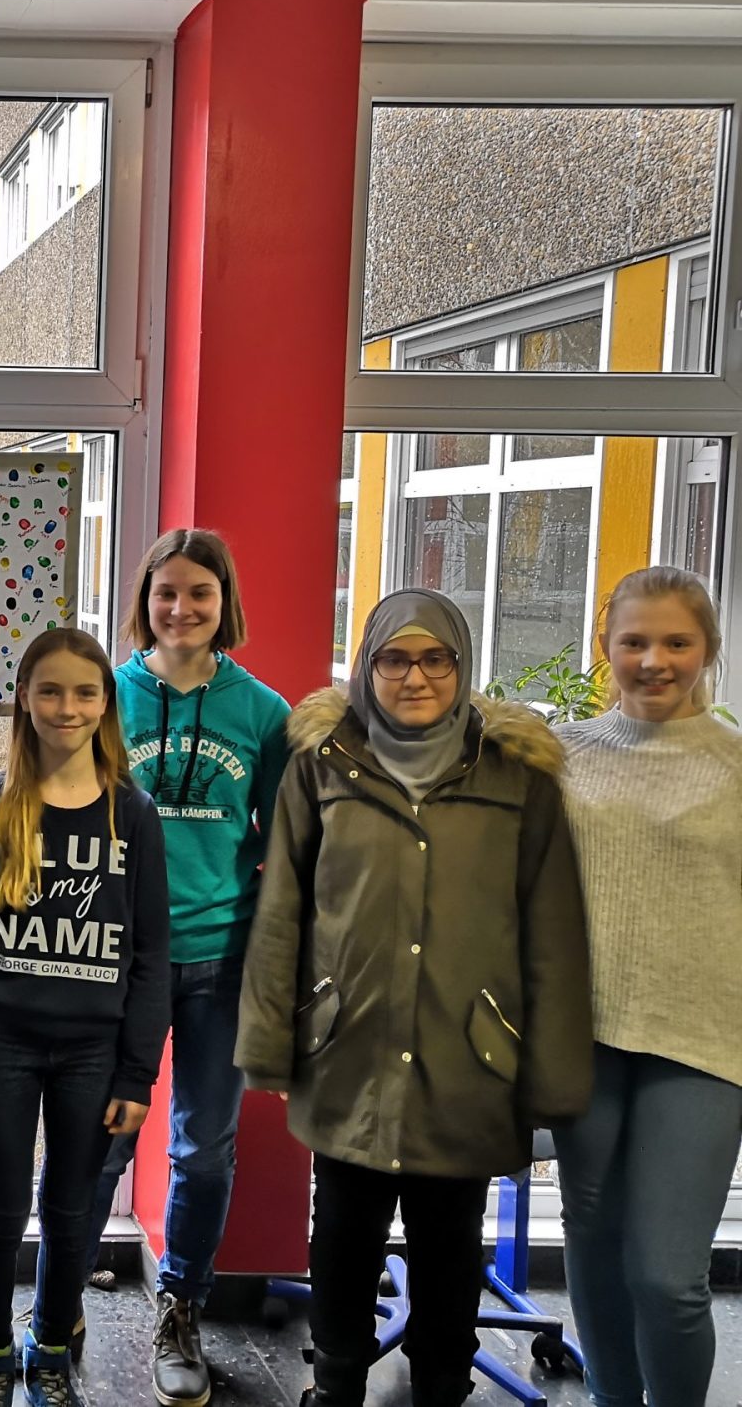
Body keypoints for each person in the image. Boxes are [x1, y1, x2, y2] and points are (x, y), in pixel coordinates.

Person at [237, 589, 593, 1407]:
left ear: (461, 665)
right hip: (348, 1042)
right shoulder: (323, 763)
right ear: (367, 666)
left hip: (470, 1050)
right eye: (394, 659)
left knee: (449, 1234)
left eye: (436, 659)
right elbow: (283, 907)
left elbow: (554, 929)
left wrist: (551, 1074)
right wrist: (270, 1042)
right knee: (344, 1227)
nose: (415, 676)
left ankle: (441, 1383)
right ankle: (335, 1382)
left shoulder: (518, 777)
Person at [77, 529, 290, 1407]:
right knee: (100, 1139)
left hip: (220, 958)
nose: (181, 608)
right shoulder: (104, 695)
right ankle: (58, 1301)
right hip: (116, 960)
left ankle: (181, 1308)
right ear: (145, 600)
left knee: (203, 1153)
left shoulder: (264, 712)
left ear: (223, 601)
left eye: (200, 592)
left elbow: (283, 842)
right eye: (166, 592)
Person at [0, 627, 171, 1407]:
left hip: (94, 1054)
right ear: (24, 701)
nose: (67, 708)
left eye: (84, 692)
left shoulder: (133, 814)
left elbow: (150, 955)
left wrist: (138, 1074)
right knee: (1, 1211)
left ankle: (49, 1355)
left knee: (70, 1216)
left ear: (105, 705)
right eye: (50, 691)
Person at [552, 566, 742, 1407]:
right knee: (593, 1248)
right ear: (606, 646)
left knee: (666, 1275)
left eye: (676, 642)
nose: (654, 660)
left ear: (708, 650)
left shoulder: (737, 768)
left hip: (703, 1042)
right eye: (634, 641)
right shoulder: (559, 754)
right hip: (581, 1036)